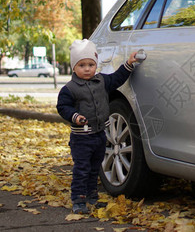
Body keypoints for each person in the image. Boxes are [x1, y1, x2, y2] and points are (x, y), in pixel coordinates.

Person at [56, 39, 138, 214]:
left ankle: (92, 196)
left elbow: (117, 78)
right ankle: (78, 199)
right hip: (81, 138)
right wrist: (74, 116)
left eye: (91, 64)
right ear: (73, 67)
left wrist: (129, 64)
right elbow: (63, 107)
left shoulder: (101, 81)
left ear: (96, 64)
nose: (87, 69)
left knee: (95, 168)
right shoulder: (69, 89)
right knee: (82, 169)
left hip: (100, 135)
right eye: (82, 65)